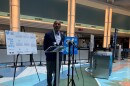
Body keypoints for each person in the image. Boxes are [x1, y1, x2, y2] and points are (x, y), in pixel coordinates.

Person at [43, 20, 64, 86]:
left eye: (58, 24)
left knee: (57, 73)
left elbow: (63, 46)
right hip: (50, 58)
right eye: (55, 24)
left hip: (59, 58)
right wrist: (48, 55)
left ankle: (55, 84)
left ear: (60, 26)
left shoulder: (63, 36)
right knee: (49, 73)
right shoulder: (48, 34)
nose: (57, 25)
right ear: (53, 25)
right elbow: (45, 47)